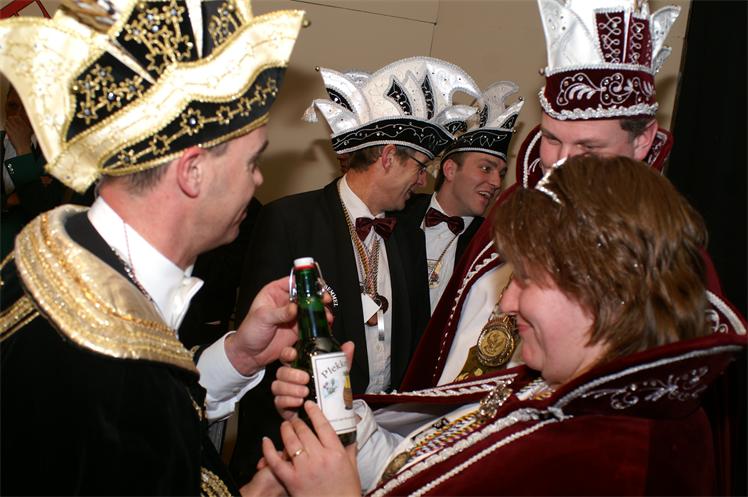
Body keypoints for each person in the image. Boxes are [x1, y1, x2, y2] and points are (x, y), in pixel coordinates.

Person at [258, 154, 747, 496]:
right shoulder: (558, 389)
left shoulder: (619, 457)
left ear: (604, 290)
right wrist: (341, 412)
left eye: (526, 280)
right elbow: (420, 465)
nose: (507, 302)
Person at [0, 1, 305, 495]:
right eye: (253, 163)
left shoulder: (78, 268)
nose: (258, 181)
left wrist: (238, 356)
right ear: (192, 172)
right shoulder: (99, 364)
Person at [397, 0, 745, 393]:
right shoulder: (514, 205)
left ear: (642, 140)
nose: (559, 164)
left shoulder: (663, 249)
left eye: (588, 148)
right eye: (551, 139)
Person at [229, 56, 483, 483]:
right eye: (419, 167)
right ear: (388, 157)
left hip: (379, 449)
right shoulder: (289, 221)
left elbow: (415, 341)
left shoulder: (408, 234)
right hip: (298, 451)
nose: (423, 181)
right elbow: (264, 355)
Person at [395, 81, 524, 314]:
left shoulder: (493, 244)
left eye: (502, 173)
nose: (497, 183)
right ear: (450, 170)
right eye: (486, 168)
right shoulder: (395, 216)